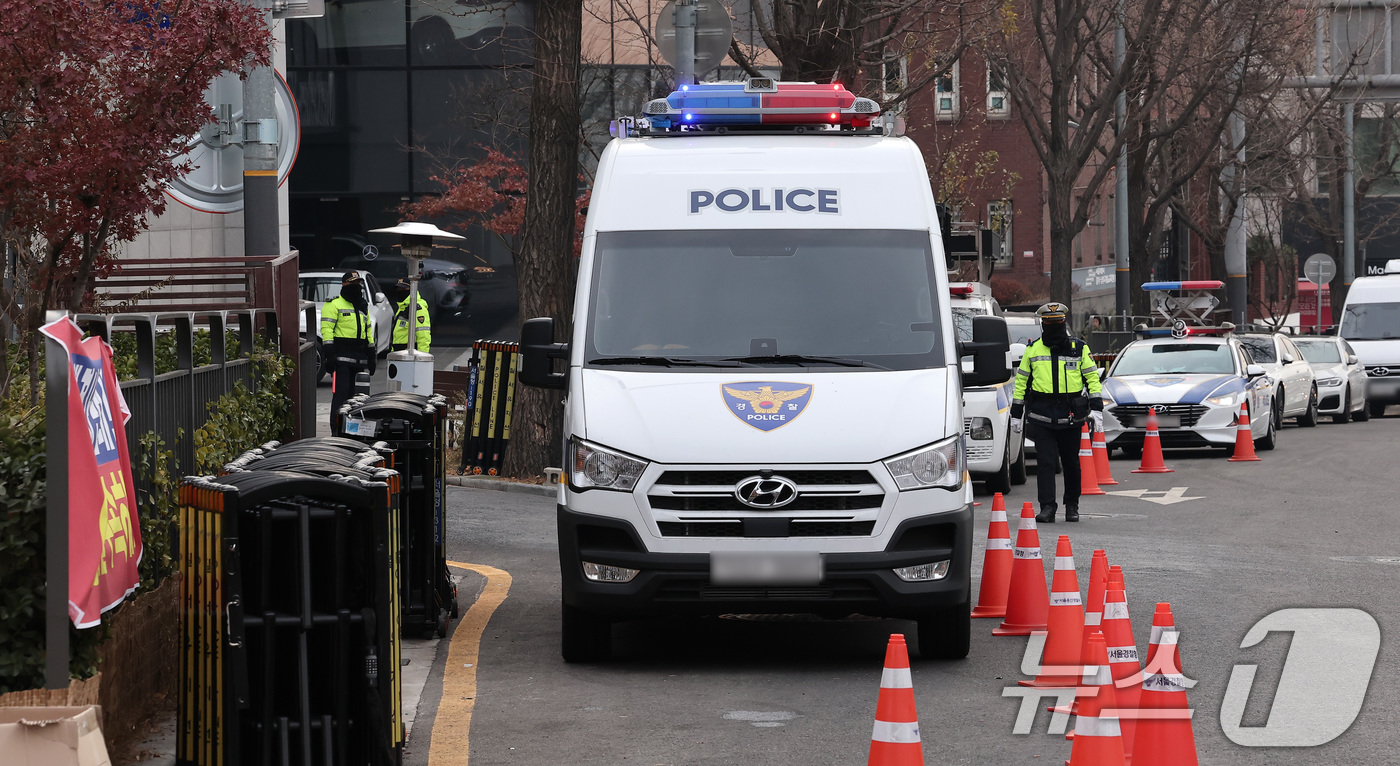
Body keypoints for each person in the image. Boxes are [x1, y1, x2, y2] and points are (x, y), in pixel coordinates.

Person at [1009, 302, 1104, 523]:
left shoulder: (1079, 348)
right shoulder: (1032, 350)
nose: (1053, 328)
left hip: (1071, 417)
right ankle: (1047, 507)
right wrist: (1016, 412)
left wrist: (1097, 409)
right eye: (1049, 324)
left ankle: (1072, 505)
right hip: (1042, 417)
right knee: (1046, 463)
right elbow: (1021, 382)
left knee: (1071, 463)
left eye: (1057, 324)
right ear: (1043, 325)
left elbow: (1092, 379)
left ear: (1063, 324)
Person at [321, 271, 376, 432]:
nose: (356, 287)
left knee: (358, 400)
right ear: (344, 285)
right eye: (352, 284)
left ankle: (353, 431)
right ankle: (336, 430)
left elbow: (367, 331)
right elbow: (327, 330)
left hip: (360, 361)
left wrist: (371, 354)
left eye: (358, 284)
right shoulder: (334, 305)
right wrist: (329, 354)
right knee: (340, 398)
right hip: (341, 361)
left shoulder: (362, 306)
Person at [390, 278, 432, 353]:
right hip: (400, 353)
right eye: (398, 289)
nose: (400, 291)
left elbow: (423, 335)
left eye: (403, 288)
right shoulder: (402, 307)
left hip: (410, 353)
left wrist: (422, 357)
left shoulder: (417, 308)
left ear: (411, 289)